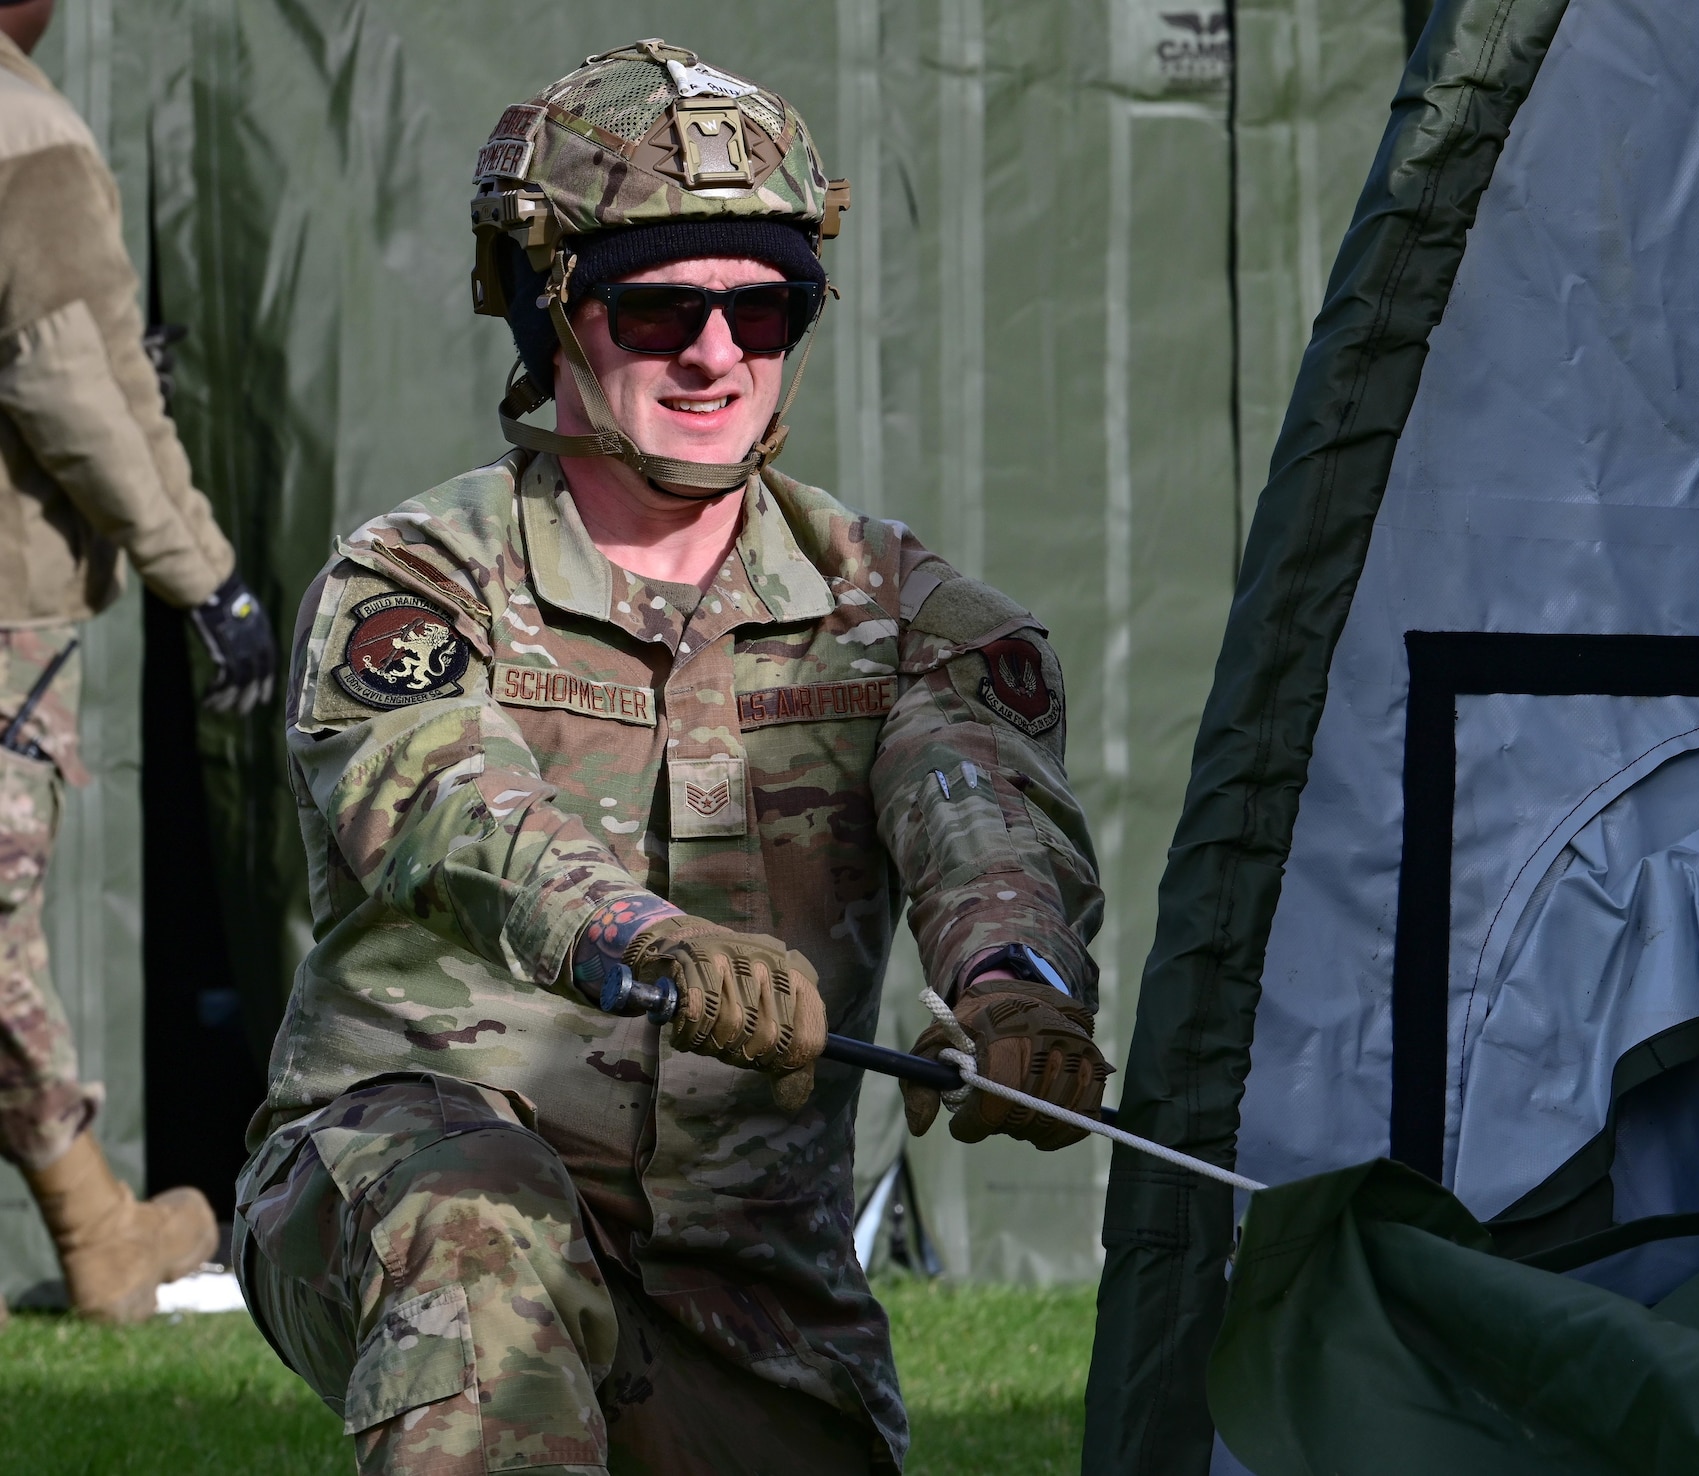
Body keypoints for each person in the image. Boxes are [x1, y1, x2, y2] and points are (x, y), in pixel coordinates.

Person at [235, 39, 1109, 1475]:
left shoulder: (904, 615)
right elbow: (448, 798)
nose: (716, 355)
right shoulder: (421, 577)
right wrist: (640, 934)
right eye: (657, 309)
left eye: (764, 309)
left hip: (743, 1273)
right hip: (415, 1172)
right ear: (548, 314)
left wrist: (1017, 990)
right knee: (480, 1252)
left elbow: (981, 809)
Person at [0, 0, 276, 1327]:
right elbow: (77, 384)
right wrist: (202, 574)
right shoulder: (25, 131)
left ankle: (99, 1221)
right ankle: (98, 1224)